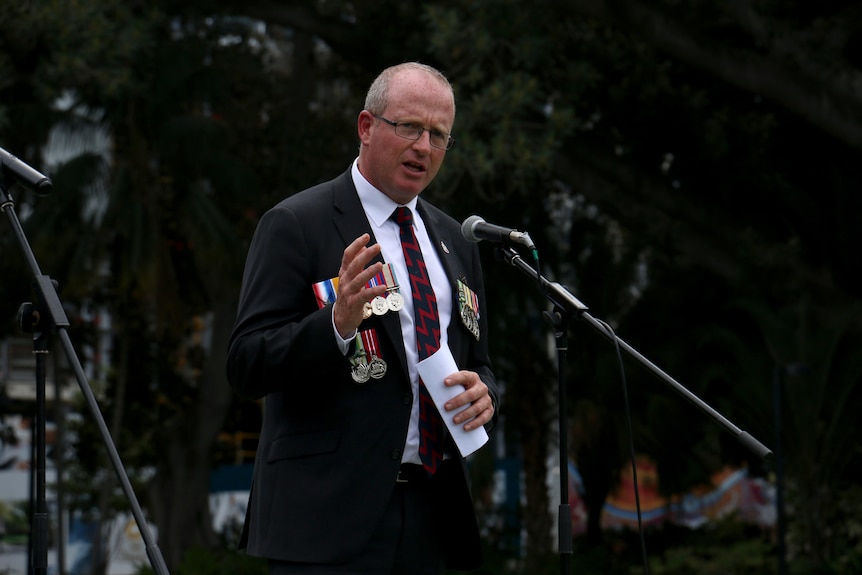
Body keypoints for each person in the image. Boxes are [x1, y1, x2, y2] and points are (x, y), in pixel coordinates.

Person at [227, 62, 499, 575]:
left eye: (438, 135)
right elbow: (246, 363)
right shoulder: (296, 224)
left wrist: (484, 392)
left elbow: (479, 362)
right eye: (408, 127)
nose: (423, 145)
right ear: (367, 127)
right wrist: (336, 324)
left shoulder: (455, 241)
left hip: (434, 515)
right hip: (326, 518)